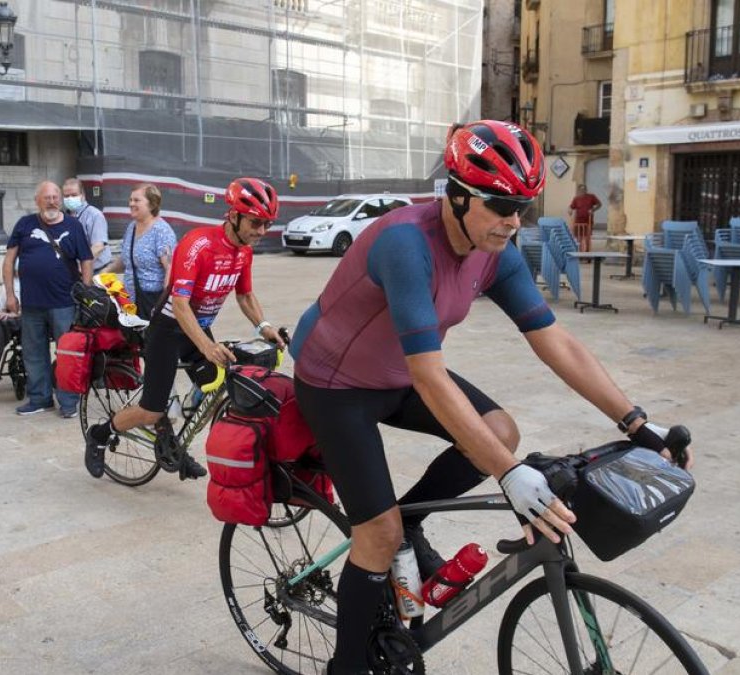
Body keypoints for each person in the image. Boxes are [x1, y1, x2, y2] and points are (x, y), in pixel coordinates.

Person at [287, 121, 694, 675]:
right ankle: (348, 665)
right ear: (456, 196)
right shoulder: (405, 243)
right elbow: (431, 376)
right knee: (376, 536)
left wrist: (635, 424)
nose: (512, 220)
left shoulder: (496, 251)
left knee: (501, 431)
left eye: (522, 206)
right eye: (500, 204)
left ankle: (408, 516)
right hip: (336, 383)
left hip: (397, 375)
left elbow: (557, 342)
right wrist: (507, 474)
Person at [84, 177, 284, 481]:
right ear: (234, 215)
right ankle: (100, 434)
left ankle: (174, 444)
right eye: (256, 223)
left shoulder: (244, 252)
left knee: (218, 386)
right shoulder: (198, 244)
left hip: (198, 329)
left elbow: (244, 295)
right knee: (152, 410)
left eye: (267, 225)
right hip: (167, 330)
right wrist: (206, 347)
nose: (261, 232)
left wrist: (264, 326)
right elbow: (179, 304)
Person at [3, 180, 93, 418]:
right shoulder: (25, 224)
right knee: (33, 353)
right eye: (47, 197)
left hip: (64, 302)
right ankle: (40, 398)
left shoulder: (74, 226)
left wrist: (86, 290)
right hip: (32, 303)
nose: (52, 201)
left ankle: (69, 401)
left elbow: (86, 259)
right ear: (37, 200)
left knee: (67, 354)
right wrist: (10, 294)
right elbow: (9, 260)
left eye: (55, 197)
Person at [103, 183, 176, 318]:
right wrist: (105, 271)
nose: (131, 204)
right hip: (129, 302)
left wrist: (163, 306)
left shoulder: (162, 231)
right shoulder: (132, 227)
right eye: (130, 200)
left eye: (136, 200)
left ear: (152, 205)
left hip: (152, 303)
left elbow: (170, 269)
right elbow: (127, 259)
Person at [63, 177, 112, 273]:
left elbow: (98, 246)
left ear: (82, 195)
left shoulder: (94, 215)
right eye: (66, 196)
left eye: (74, 195)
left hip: (96, 270)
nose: (70, 199)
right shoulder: (63, 217)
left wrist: (83, 267)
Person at [568, 183, 602, 253]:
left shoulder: (591, 197)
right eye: (581, 190)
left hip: (588, 221)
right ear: (578, 190)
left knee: (587, 238)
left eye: (584, 189)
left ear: (586, 190)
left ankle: (587, 253)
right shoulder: (576, 198)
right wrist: (570, 210)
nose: (582, 191)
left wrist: (592, 210)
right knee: (578, 238)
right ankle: (579, 252)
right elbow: (571, 207)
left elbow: (599, 204)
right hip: (578, 221)